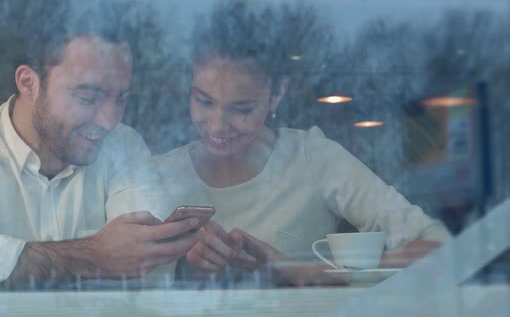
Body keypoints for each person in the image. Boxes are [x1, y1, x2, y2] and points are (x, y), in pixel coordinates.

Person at [0, 0, 201, 290]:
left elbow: (148, 268)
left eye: (121, 98)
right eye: (87, 98)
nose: (108, 120)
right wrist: (92, 255)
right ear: (29, 83)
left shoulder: (123, 145)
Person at [154, 47, 451, 285]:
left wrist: (313, 274)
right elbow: (117, 280)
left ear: (278, 95)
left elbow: (437, 244)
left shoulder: (313, 157)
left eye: (242, 109)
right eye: (203, 101)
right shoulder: (157, 174)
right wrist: (180, 264)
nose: (218, 125)